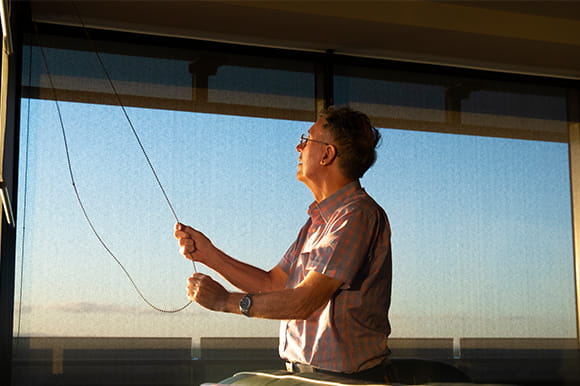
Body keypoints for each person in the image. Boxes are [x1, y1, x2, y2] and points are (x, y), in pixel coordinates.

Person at [174, 106, 392, 383]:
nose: (298, 146)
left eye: (308, 139)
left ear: (327, 154)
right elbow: (273, 284)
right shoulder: (318, 222)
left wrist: (224, 301)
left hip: (341, 381)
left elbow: (304, 301)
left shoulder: (357, 214)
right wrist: (210, 255)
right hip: (308, 377)